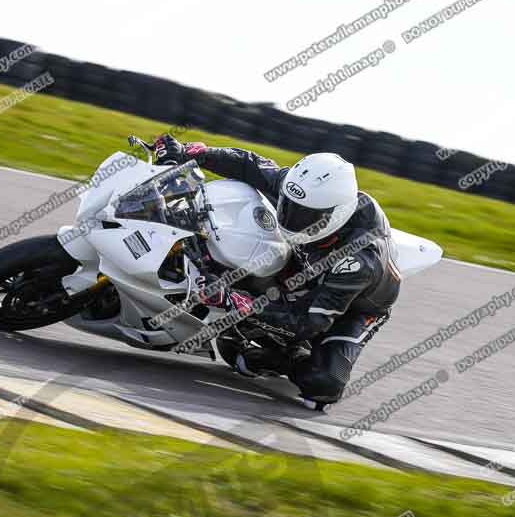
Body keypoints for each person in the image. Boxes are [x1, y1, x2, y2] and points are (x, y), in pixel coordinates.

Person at [154, 134, 401, 407]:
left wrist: (235, 301)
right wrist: (194, 153)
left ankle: (285, 358)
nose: (292, 218)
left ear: (337, 215)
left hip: (355, 306)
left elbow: (308, 323)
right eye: (289, 207)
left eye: (305, 216)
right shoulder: (306, 191)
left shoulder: (359, 261)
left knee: (323, 385)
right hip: (304, 266)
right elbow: (250, 164)